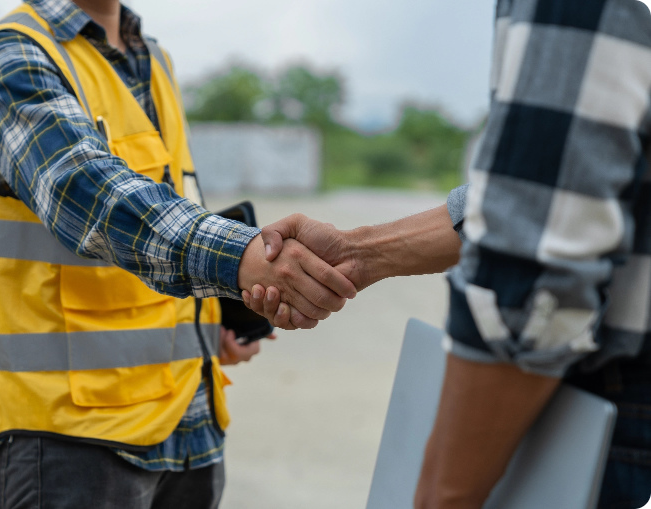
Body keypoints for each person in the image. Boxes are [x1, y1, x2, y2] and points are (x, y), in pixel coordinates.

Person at [0, 0, 356, 507]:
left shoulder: (154, 60)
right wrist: (244, 257)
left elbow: (172, 208)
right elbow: (90, 194)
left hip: (188, 423)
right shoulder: (10, 56)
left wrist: (210, 326)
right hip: (70, 438)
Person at [244, 0, 651, 507]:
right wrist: (356, 253)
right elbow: (527, 195)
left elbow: (535, 260)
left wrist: (445, 496)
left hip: (583, 418)